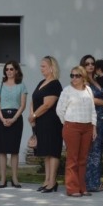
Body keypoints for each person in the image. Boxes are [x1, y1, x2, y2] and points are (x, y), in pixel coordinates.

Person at [56, 65, 97, 197]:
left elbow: (93, 110)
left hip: (87, 127)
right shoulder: (67, 91)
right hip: (72, 126)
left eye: (77, 75)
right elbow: (59, 109)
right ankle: (72, 188)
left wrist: (93, 127)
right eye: (72, 75)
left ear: (83, 77)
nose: (74, 78)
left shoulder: (89, 90)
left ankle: (82, 187)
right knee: (72, 159)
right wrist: (67, 123)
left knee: (83, 159)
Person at [29, 56, 63, 193]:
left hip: (51, 122)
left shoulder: (55, 84)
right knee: (45, 153)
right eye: (41, 66)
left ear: (51, 68)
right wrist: (32, 115)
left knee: (52, 151)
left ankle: (52, 181)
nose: (41, 68)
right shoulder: (41, 82)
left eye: (43, 66)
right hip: (40, 122)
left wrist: (34, 115)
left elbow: (48, 104)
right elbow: (34, 99)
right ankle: (47, 180)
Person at [81, 55, 103, 193]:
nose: (90, 66)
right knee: (92, 152)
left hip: (102, 119)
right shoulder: (84, 81)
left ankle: (95, 182)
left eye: (92, 63)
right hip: (91, 119)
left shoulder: (96, 80)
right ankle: (90, 183)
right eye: (87, 64)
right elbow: (91, 100)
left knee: (97, 151)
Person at [0, 60, 27, 188]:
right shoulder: (0, 85)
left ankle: (14, 178)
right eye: (7, 69)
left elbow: (23, 105)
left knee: (14, 150)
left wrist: (13, 119)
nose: (9, 71)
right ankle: (2, 179)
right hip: (2, 117)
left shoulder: (21, 86)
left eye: (11, 69)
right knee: (2, 151)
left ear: (16, 71)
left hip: (16, 118)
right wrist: (2, 119)